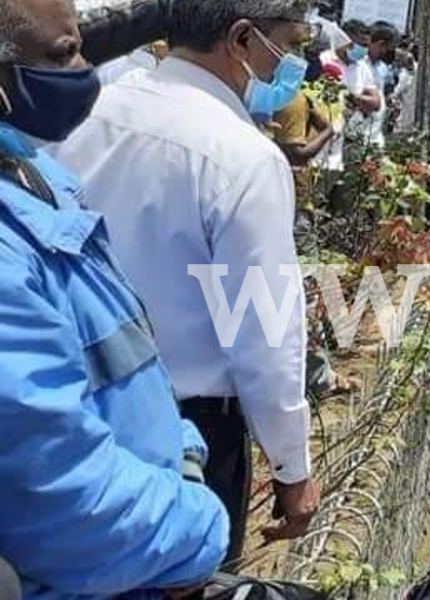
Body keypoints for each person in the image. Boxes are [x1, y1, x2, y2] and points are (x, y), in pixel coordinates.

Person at [51, 0, 319, 567]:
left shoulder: (88, 108)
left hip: (70, 413)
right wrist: (292, 469)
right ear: (243, 39)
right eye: (290, 47)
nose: (291, 68)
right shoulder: (244, 158)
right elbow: (262, 334)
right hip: (185, 437)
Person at [0, 0, 232, 594]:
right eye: (62, 54)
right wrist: (203, 529)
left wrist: (182, 451)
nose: (84, 70)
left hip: (152, 520)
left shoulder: (38, 175)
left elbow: (126, 355)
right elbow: (59, 499)